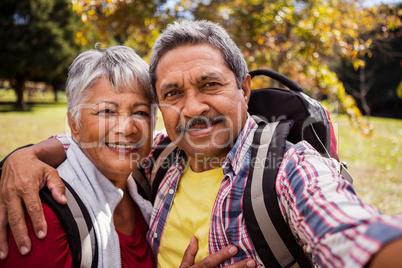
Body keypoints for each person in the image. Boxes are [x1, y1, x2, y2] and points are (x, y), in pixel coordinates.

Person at [1, 20, 402, 267]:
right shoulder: (161, 160)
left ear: (244, 89)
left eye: (210, 84)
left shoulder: (287, 166)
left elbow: (343, 225)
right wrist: (25, 155)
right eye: (173, 93)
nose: (193, 108)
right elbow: (98, 144)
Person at [0, 45, 254, 268]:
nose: (127, 128)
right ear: (74, 124)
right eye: (107, 111)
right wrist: (24, 156)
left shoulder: (150, 183)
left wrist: (30, 153)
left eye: (141, 112)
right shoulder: (44, 214)